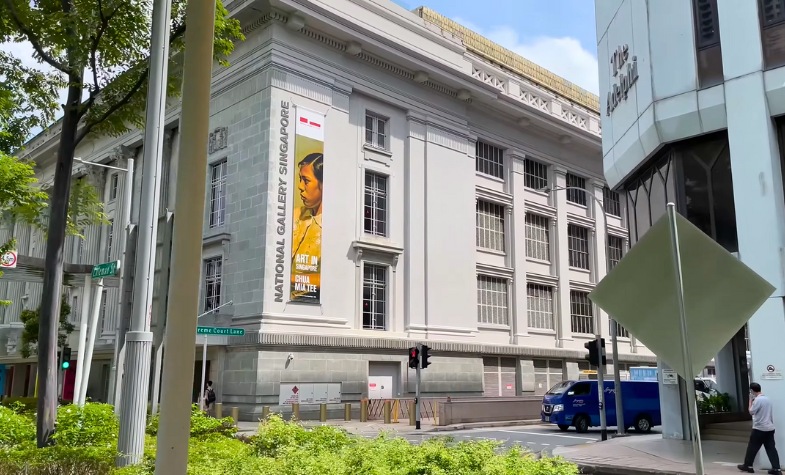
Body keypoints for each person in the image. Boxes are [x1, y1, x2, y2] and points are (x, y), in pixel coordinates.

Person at [739, 382, 781, 474]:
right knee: (771, 449)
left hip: (759, 428)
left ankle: (748, 466)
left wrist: (750, 401)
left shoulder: (757, 400)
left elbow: (751, 411)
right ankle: (777, 469)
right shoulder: (768, 399)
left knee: (752, 448)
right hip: (770, 428)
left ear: (752, 391)